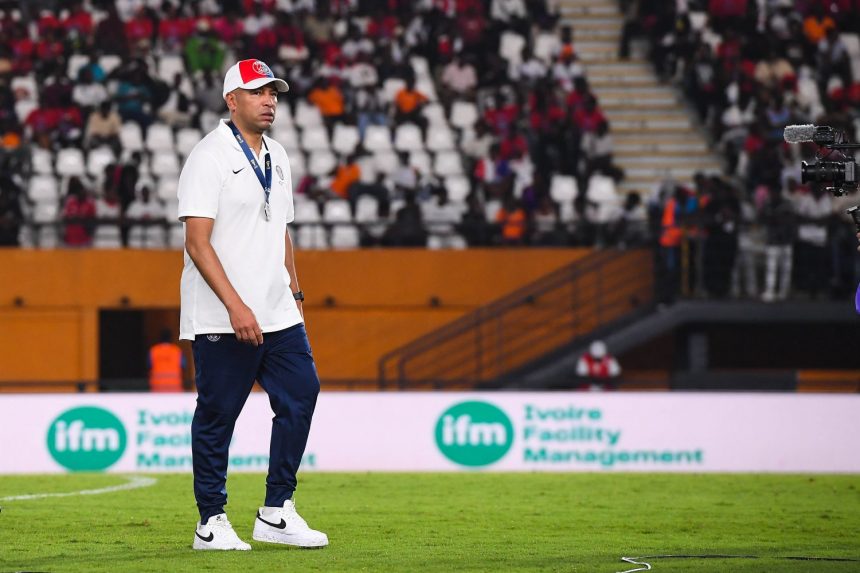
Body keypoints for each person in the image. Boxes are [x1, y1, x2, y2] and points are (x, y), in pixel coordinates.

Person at [177, 59, 328, 551]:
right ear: (231, 100)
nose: (270, 101)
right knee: (219, 414)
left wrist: (295, 290)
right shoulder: (209, 156)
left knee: (302, 394)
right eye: (258, 92)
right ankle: (210, 521)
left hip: (277, 309)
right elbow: (197, 243)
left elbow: (281, 226)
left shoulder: (279, 154)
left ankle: (276, 510)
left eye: (274, 93)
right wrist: (237, 306)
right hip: (224, 313)